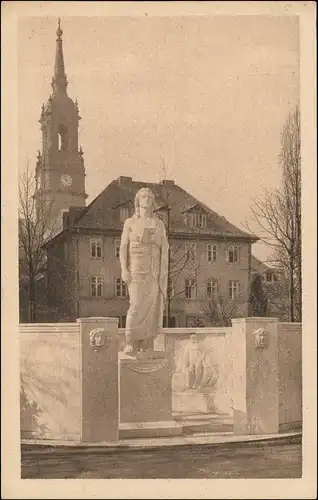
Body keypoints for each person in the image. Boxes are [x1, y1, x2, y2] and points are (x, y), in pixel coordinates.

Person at [119, 187, 169, 354]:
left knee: (151, 308)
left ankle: (147, 343)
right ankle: (131, 341)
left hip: (154, 271)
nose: (147, 199)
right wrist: (124, 269)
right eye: (143, 196)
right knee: (136, 305)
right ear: (138, 201)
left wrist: (157, 240)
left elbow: (165, 247)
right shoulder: (130, 223)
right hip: (137, 270)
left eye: (149, 196)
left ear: (153, 201)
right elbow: (123, 247)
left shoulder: (159, 223)